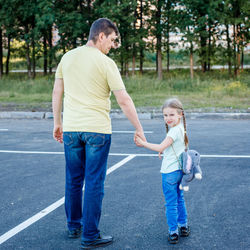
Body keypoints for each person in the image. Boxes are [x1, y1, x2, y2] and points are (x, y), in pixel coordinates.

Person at [52, 18, 145, 249]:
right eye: (112, 40)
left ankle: (74, 225)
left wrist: (57, 122)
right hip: (97, 131)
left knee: (73, 179)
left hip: (72, 130)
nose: (113, 46)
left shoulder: (67, 57)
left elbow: (57, 91)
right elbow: (123, 99)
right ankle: (90, 235)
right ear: (100, 35)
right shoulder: (106, 64)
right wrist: (139, 127)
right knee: (93, 182)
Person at [135, 98, 190, 244]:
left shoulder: (173, 132)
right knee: (179, 198)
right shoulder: (180, 129)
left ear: (180, 114)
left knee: (171, 203)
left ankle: (173, 232)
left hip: (169, 173)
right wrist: (164, 151)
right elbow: (173, 148)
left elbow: (160, 146)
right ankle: (183, 226)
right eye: (165, 115)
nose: (168, 118)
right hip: (179, 171)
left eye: (171, 115)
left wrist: (143, 143)